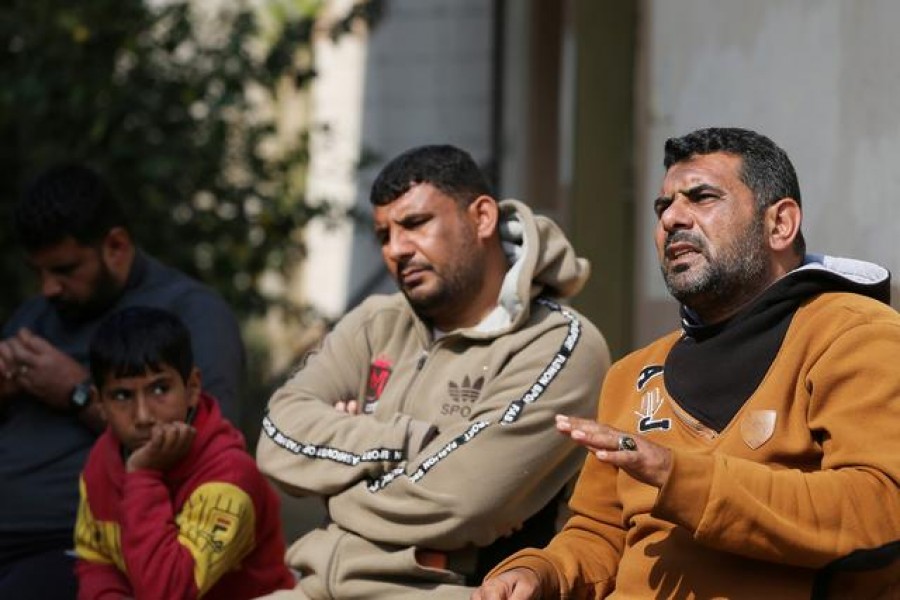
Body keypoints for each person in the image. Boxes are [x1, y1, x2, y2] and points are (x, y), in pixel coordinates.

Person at [473, 127, 900, 599]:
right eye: (663, 207)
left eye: (701, 197)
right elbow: (599, 534)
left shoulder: (855, 333)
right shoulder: (631, 373)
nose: (673, 218)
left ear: (780, 224)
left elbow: (881, 510)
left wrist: (680, 478)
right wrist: (542, 572)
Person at [255, 144, 610, 599]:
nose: (397, 249)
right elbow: (277, 437)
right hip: (317, 586)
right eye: (383, 235)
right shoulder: (375, 322)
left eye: (416, 224)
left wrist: (335, 483)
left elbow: (464, 501)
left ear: (481, 217)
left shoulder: (559, 343)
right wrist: (405, 441)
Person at [0, 164, 245, 598]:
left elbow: (204, 443)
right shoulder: (37, 316)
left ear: (116, 246)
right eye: (39, 273)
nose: (49, 288)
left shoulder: (191, 313)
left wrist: (76, 392)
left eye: (65, 269)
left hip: (75, 540)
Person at [73, 306, 293, 599]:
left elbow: (168, 592)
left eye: (160, 389)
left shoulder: (229, 478)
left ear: (191, 388)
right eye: (122, 395)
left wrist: (143, 476)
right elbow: (96, 558)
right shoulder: (104, 455)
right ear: (100, 403)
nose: (142, 416)